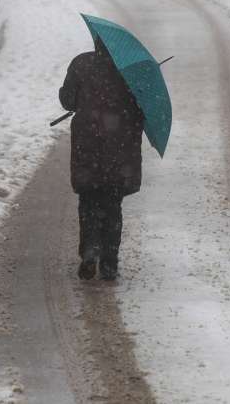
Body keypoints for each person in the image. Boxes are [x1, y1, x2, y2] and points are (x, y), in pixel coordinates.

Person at [59, 41, 145, 281]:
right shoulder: (131, 73)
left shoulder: (81, 64)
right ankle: (109, 263)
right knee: (112, 206)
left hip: (88, 148)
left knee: (88, 202)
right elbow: (141, 112)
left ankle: (89, 251)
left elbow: (68, 100)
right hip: (120, 151)